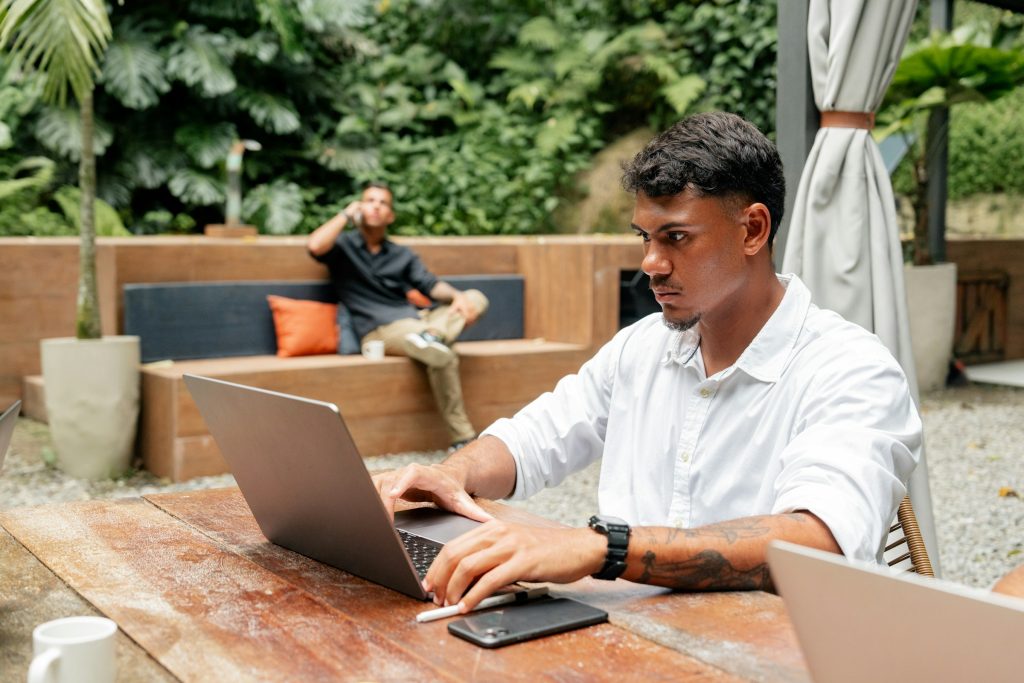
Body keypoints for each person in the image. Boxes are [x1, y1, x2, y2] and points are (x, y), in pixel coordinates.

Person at [372, 112, 922, 612]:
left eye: (676, 238)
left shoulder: (851, 369)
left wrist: (599, 549)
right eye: (645, 237)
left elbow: (815, 540)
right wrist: (452, 474)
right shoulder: (642, 346)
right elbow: (531, 440)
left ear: (753, 229)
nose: (650, 264)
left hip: (781, 651)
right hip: (632, 633)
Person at [307, 182, 488, 452]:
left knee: (475, 297)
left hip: (418, 321)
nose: (376, 206)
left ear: (390, 216)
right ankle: (462, 437)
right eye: (369, 200)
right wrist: (346, 215)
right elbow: (315, 245)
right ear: (360, 206)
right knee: (444, 354)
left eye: (383, 203)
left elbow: (430, 285)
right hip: (381, 331)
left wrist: (457, 297)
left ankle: (432, 336)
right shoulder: (343, 247)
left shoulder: (401, 254)